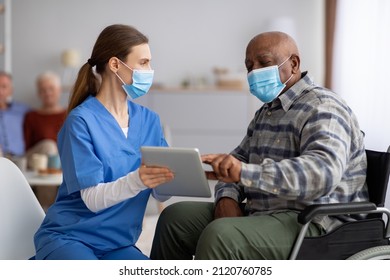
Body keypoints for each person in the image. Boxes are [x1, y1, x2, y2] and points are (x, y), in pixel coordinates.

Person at [150, 31, 369, 260]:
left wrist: (243, 173)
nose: (254, 72)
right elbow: (239, 160)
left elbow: (322, 173)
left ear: (293, 64)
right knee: (174, 219)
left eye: (263, 63)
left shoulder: (323, 107)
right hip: (266, 212)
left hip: (317, 223)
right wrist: (227, 198)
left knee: (221, 236)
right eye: (249, 66)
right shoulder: (266, 111)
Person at [33, 24, 174, 260]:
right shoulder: (81, 121)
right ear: (115, 64)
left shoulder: (149, 121)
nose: (150, 70)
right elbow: (92, 200)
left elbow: (161, 194)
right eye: (143, 62)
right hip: (71, 237)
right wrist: (138, 179)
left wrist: (182, 176)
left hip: (118, 243)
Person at [23, 71, 66, 169]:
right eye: (43, 90)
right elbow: (27, 146)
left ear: (59, 90)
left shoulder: (69, 114)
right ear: (38, 93)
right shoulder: (31, 116)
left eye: (51, 89)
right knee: (49, 146)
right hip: (36, 159)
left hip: (62, 159)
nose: (47, 93)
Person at [0, 71, 30, 157]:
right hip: (1, 159)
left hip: (22, 157)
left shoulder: (23, 110)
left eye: (4, 87)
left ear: (11, 90)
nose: (0, 91)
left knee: (47, 146)